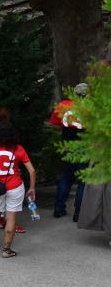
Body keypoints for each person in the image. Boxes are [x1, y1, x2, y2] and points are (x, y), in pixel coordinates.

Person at [0, 121, 36, 258]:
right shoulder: (18, 149)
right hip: (15, 186)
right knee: (11, 217)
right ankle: (6, 250)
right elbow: (32, 170)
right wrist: (32, 187)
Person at [51, 83, 89, 220]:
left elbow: (55, 123)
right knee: (82, 180)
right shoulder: (88, 107)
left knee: (67, 176)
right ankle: (78, 213)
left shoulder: (63, 105)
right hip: (84, 146)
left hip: (66, 145)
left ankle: (58, 208)